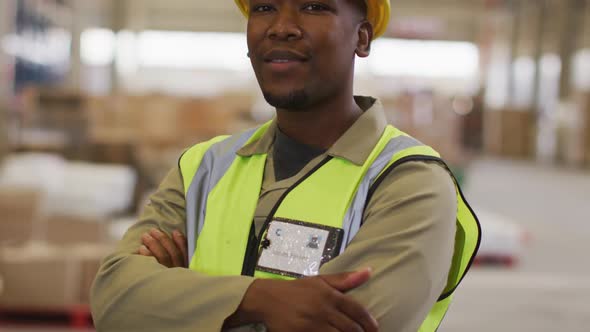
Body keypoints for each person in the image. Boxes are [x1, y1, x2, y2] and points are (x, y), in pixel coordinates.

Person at [90, 0, 481, 331]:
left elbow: (353, 323)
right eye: (264, 7)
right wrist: (261, 300)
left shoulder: (410, 182)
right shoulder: (204, 167)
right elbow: (113, 296)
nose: (282, 28)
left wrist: (178, 301)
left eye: (313, 6)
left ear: (361, 38)